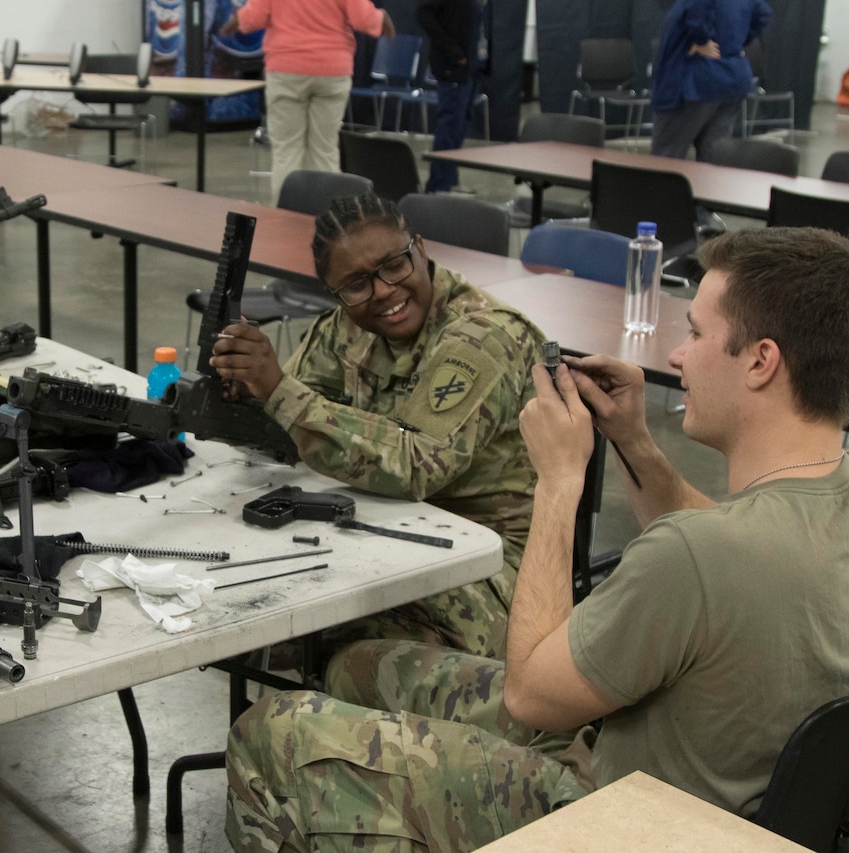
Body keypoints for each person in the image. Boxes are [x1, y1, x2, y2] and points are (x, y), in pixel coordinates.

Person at [224, 226, 849, 852]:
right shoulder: (800, 515)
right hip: (691, 785)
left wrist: (558, 479)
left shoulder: (693, 554)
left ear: (761, 362)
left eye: (693, 333)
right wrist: (632, 440)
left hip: (623, 823)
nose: (678, 356)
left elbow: (529, 695)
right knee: (359, 667)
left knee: (269, 733)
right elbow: (730, 547)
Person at [210, 192, 544, 658]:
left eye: (395, 265)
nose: (383, 290)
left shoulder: (483, 336)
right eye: (356, 285)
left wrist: (279, 392)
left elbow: (417, 465)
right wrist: (249, 392)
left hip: (494, 561)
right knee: (247, 617)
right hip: (385, 530)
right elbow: (288, 424)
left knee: (342, 653)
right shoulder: (344, 327)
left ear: (421, 250)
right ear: (335, 293)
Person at [220, 0, 396, 203]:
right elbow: (363, 18)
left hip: (286, 69)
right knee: (325, 150)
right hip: (332, 70)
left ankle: (286, 218)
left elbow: (253, 18)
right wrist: (380, 17)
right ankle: (326, 220)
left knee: (287, 152)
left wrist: (237, 19)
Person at [650, 0, 771, 162]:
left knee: (666, 157)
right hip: (731, 79)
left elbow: (696, 10)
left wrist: (701, 41)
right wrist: (736, 44)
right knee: (714, 159)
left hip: (694, 82)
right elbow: (763, 13)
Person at [416, 0, 482, 193]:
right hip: (452, 67)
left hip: (471, 67)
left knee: (460, 125)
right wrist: (454, 53)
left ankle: (449, 181)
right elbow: (423, 14)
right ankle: (437, 187)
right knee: (450, 126)